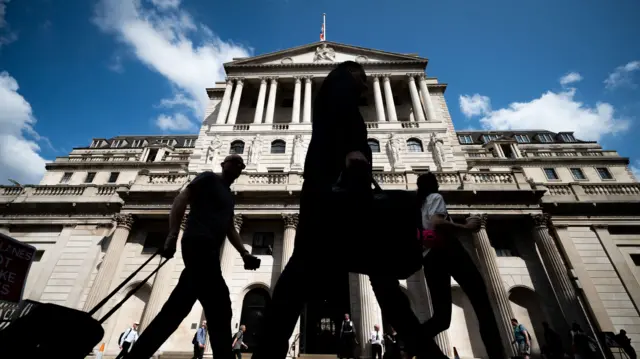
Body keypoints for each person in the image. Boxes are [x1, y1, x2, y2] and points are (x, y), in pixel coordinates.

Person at [251, 61, 372, 359]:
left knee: (301, 269)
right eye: (363, 78)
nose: (367, 85)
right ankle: (269, 349)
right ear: (351, 76)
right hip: (338, 190)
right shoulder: (341, 98)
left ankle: (268, 349)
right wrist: (353, 155)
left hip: (327, 189)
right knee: (305, 268)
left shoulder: (330, 102)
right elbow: (343, 131)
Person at [124, 154, 261, 359]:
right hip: (197, 244)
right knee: (220, 307)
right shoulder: (207, 178)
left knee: (179, 307)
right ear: (223, 164)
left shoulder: (229, 196)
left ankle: (137, 354)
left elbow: (230, 228)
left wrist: (244, 253)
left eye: (241, 164)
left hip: (211, 251)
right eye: (234, 161)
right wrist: (172, 234)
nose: (238, 165)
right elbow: (182, 198)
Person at [416, 171, 506, 359]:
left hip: (429, 257)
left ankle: (406, 341)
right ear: (434, 185)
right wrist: (466, 227)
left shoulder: (418, 205)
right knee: (482, 303)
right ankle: (497, 354)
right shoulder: (435, 197)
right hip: (449, 250)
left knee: (441, 319)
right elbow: (437, 222)